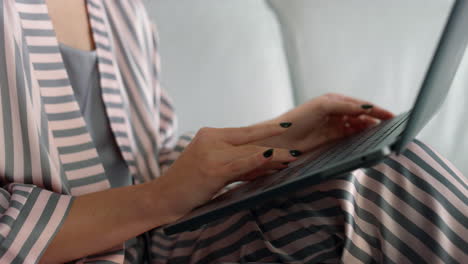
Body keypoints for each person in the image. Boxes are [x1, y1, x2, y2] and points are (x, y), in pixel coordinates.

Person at [0, 0, 465, 263]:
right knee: (392, 187)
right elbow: (158, 192)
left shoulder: (119, 10)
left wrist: (275, 139)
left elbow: (149, 158)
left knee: (386, 172)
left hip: (156, 242)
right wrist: (161, 198)